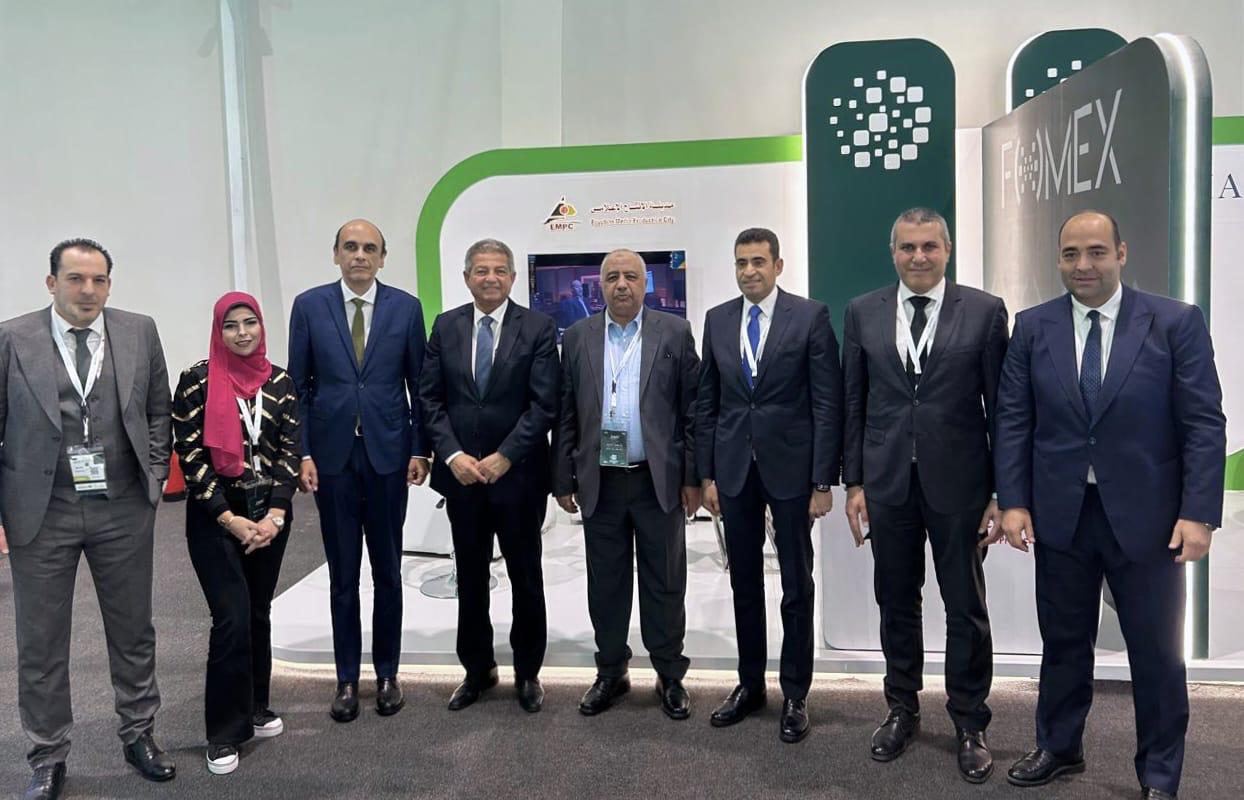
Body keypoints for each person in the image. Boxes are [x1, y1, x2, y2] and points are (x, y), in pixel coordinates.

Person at [995, 210, 1226, 800]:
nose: (1084, 265)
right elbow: (1014, 420)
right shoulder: (1032, 327)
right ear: (1059, 259)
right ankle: (1059, 746)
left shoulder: (1174, 322)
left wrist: (1199, 513)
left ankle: (1159, 773)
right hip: (1062, 514)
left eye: (1097, 252)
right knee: (1063, 643)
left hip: (1151, 520)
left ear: (1121, 253)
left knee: (1157, 654)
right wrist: (1013, 501)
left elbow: (1203, 423)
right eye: (1071, 254)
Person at [0, 238, 175, 800]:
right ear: (51, 283)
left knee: (133, 630)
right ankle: (47, 755)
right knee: (41, 643)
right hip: (41, 511)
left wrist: (153, 476)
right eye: (76, 279)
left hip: (122, 506)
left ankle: (139, 733)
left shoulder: (138, 331)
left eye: (99, 280)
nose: (88, 290)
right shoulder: (12, 338)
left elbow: (158, 409)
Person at [841, 208, 1008, 782]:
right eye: (908, 247)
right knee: (895, 599)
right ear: (893, 252)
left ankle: (970, 721)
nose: (918, 256)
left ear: (947, 250)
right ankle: (901, 709)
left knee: (965, 606)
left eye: (929, 246)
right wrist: (854, 483)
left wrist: (1000, 492)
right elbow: (854, 402)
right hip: (887, 484)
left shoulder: (984, 312)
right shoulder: (862, 312)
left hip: (961, 485)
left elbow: (1002, 410)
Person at [697, 228, 843, 743]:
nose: (749, 271)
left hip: (792, 472)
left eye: (758, 261)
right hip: (734, 471)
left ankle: (796, 693)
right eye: (741, 262)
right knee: (743, 582)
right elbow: (708, 403)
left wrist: (823, 480)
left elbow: (827, 403)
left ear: (778, 265)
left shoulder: (810, 317)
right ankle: (750, 684)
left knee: (796, 584)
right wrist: (707, 475)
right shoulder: (717, 320)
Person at [287, 219, 430, 722]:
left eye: (370, 248)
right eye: (350, 247)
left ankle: (387, 673)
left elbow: (420, 387)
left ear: (383, 258)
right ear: (336, 254)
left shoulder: (406, 308)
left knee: (388, 573)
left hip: (389, 458)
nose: (360, 256)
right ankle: (346, 678)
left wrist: (421, 450)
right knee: (343, 575)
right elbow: (299, 387)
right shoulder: (309, 306)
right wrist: (303, 453)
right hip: (333, 461)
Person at [554, 249, 700, 720]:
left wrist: (693, 477)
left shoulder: (674, 332)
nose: (622, 284)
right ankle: (611, 671)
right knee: (607, 585)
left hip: (658, 481)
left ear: (645, 283)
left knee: (665, 582)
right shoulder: (578, 336)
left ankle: (669, 674)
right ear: (600, 285)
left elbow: (692, 411)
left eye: (631, 276)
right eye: (613, 276)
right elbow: (566, 413)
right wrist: (562, 478)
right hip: (601, 482)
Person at [419, 239, 559, 713]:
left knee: (526, 577)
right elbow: (430, 399)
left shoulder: (538, 327)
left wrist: (506, 456)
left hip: (518, 479)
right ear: (467, 278)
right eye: (481, 270)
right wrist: (452, 454)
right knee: (470, 577)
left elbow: (545, 404)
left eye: (500, 270)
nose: (491, 278)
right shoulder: (446, 326)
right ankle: (478, 670)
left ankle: (527, 672)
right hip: (462, 479)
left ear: (513, 278)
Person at [172, 292, 301, 775]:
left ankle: (256, 705)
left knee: (258, 611)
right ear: (218, 330)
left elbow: (290, 452)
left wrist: (275, 516)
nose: (242, 333)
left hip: (269, 516)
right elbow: (191, 457)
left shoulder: (280, 381)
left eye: (250, 322)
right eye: (231, 325)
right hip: (215, 517)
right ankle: (224, 733)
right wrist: (229, 518)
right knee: (231, 617)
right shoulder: (197, 382)